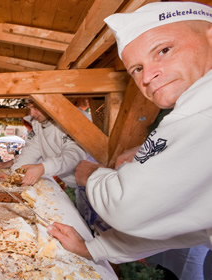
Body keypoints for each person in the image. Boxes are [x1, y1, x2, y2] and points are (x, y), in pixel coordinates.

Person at [48, 2, 212, 273]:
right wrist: (94, 249)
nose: (147, 76)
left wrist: (91, 175)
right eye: (136, 68)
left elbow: (125, 207)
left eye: (164, 50)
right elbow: (177, 220)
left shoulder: (201, 109)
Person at [7, 101, 87, 189]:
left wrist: (43, 167)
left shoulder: (73, 120)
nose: (32, 113)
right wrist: (13, 175)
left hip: (96, 183)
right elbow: (29, 152)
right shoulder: (38, 125)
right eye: (30, 108)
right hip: (75, 184)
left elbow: (74, 155)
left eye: (36, 107)